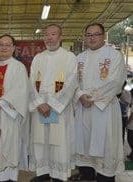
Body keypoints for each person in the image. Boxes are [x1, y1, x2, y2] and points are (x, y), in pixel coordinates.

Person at [71, 23, 125, 182]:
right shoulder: (79, 57)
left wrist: (91, 99)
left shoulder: (114, 55)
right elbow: (72, 82)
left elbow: (116, 82)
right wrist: (80, 95)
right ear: (85, 37)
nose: (92, 37)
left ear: (104, 36)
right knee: (84, 146)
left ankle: (105, 177)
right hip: (83, 109)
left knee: (105, 149)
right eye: (88, 35)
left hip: (105, 109)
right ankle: (86, 175)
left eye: (96, 34)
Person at [28, 24, 78, 182]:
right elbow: (31, 82)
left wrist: (52, 104)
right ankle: (43, 173)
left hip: (58, 109)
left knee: (59, 142)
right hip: (40, 107)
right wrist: (39, 103)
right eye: (47, 35)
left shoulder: (69, 57)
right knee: (40, 141)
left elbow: (71, 83)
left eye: (53, 34)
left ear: (60, 37)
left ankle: (58, 175)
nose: (49, 38)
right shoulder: (38, 57)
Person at [0, 34, 29, 182]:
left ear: (13, 48)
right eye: (1, 44)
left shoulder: (19, 67)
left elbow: (21, 90)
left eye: (7, 45)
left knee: (9, 144)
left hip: (10, 114)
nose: (4, 47)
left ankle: (9, 176)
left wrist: (2, 103)